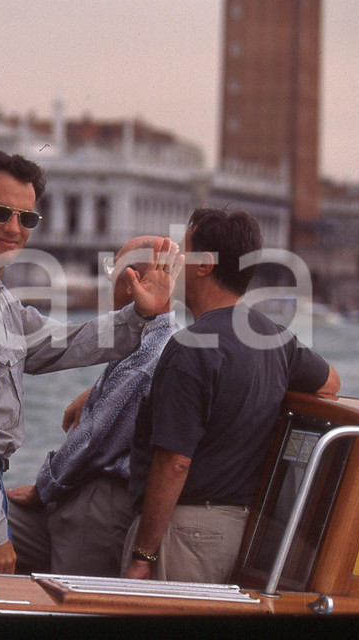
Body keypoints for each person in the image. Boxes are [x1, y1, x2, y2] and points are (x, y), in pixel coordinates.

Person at [0, 149, 182, 573]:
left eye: (27, 219)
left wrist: (140, 316)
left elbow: (58, 342)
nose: (14, 228)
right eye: (2, 212)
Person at [122, 208, 341, 583]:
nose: (175, 263)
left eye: (184, 253)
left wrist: (143, 555)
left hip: (184, 529)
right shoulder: (273, 338)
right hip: (239, 529)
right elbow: (331, 383)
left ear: (204, 266)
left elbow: (175, 462)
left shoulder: (191, 346)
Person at [6, 235, 180, 577]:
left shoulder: (150, 354)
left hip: (99, 505)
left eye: (112, 274)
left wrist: (43, 488)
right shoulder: (153, 341)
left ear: (132, 285)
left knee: (71, 603)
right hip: (85, 494)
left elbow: (93, 440)